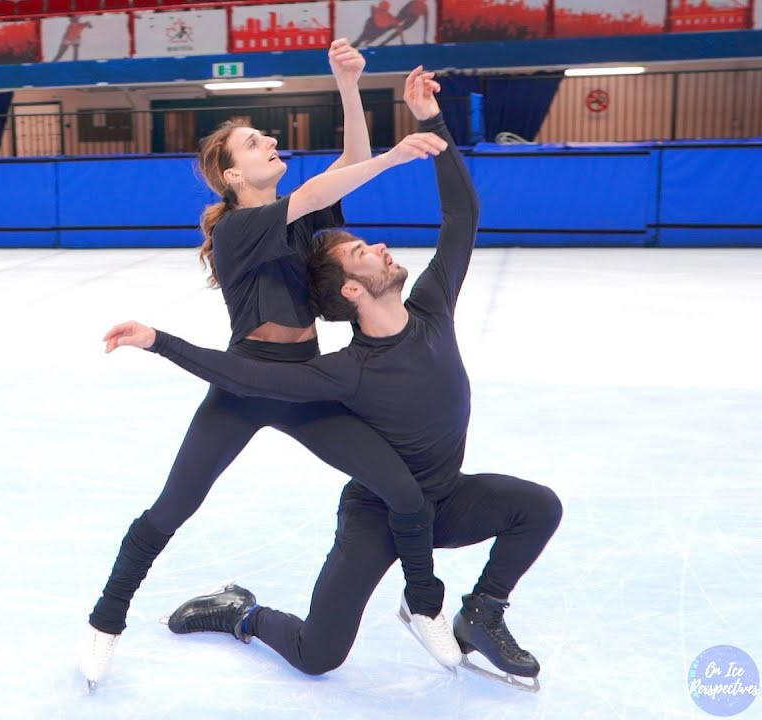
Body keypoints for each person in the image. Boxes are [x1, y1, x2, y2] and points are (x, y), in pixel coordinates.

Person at [101, 68, 562, 691]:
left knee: (421, 493)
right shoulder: (242, 229)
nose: (269, 141)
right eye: (253, 142)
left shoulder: (342, 273)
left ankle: (446, 609)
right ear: (233, 176)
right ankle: (119, 618)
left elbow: (355, 173)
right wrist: (159, 341)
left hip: (304, 383)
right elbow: (322, 195)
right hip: (252, 380)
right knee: (178, 504)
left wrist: (350, 85)